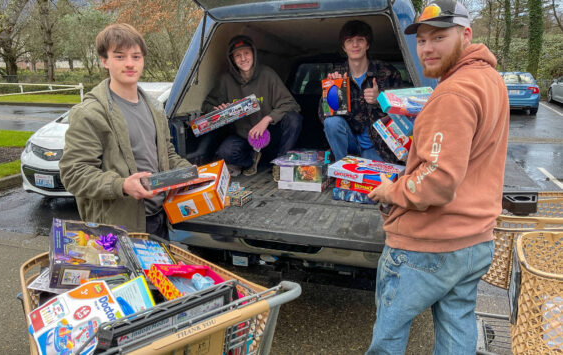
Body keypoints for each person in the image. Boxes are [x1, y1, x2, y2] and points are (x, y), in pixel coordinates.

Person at [366, 0, 510, 354]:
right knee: (457, 329)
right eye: (422, 40)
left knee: (388, 336)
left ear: (465, 34)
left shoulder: (452, 93)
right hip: (475, 241)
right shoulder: (490, 80)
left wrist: (391, 190)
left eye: (438, 37)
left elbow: (438, 180)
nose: (427, 48)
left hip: (429, 245)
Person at [60, 23, 192, 239]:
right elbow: (74, 173)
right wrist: (121, 185)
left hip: (159, 219)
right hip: (117, 230)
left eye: (136, 56)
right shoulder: (90, 113)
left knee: (159, 274)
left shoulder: (155, 107)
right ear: (105, 61)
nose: (130, 64)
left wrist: (188, 173)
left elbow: (165, 154)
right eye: (120, 57)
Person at [202, 35, 302, 177]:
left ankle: (281, 163)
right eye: (238, 55)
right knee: (225, 152)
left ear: (253, 54)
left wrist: (267, 119)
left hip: (269, 135)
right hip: (244, 137)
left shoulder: (267, 74)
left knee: (294, 119)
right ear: (232, 59)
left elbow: (291, 104)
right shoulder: (226, 80)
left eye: (246, 53)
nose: (243, 58)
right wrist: (217, 110)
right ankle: (252, 161)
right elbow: (207, 105)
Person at [319, 20, 403, 163]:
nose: (355, 45)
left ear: (367, 44)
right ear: (344, 47)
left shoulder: (387, 72)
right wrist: (332, 91)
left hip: (378, 147)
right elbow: (324, 117)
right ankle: (342, 168)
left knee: (375, 181)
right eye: (350, 41)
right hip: (348, 144)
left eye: (360, 40)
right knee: (332, 122)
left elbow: (404, 112)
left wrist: (379, 100)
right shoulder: (337, 74)